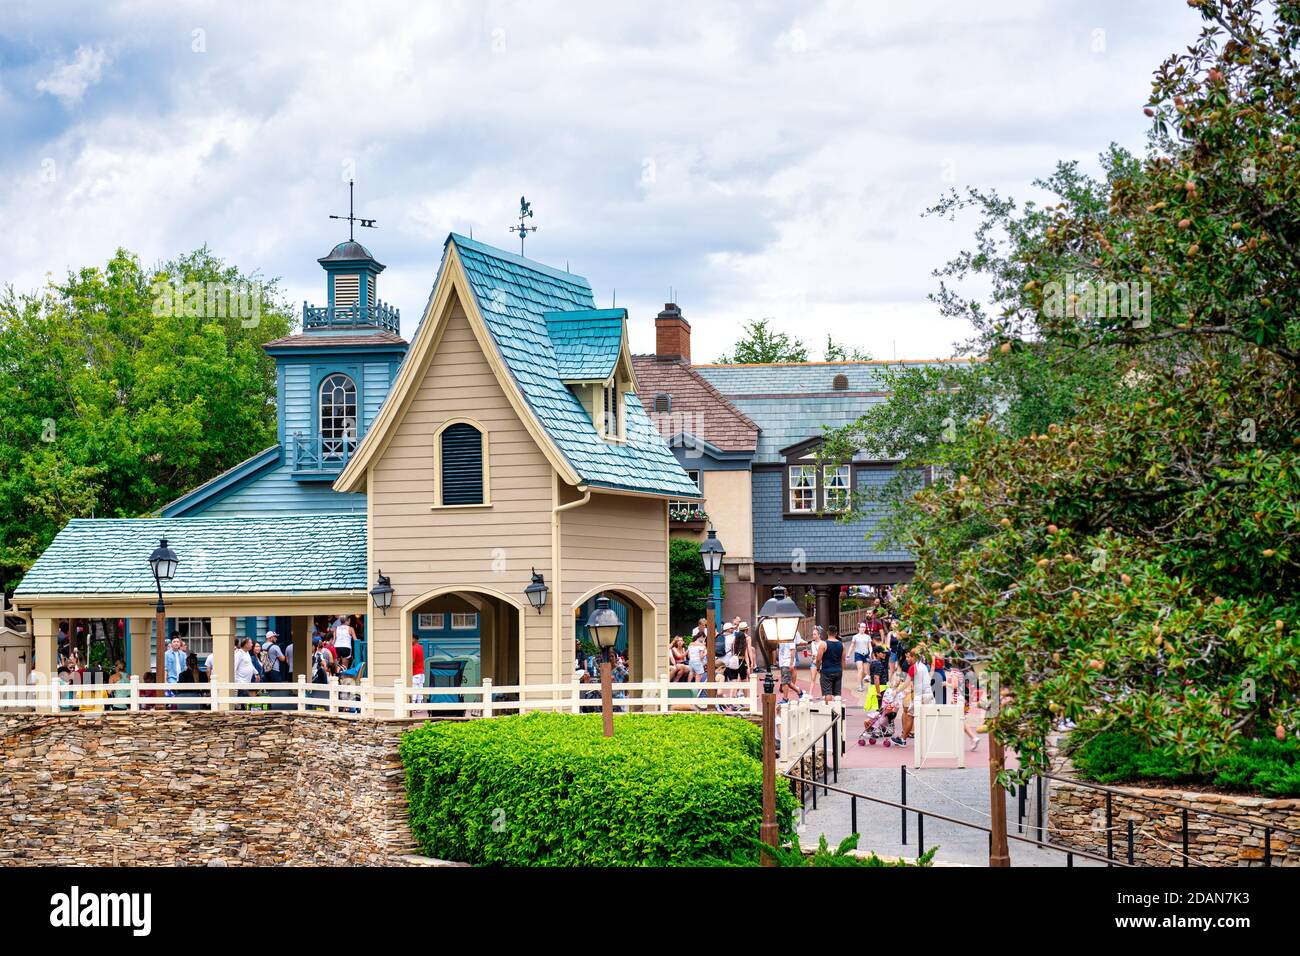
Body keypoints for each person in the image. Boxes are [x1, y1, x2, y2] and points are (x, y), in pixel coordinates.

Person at [815, 624, 844, 703]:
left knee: (827, 692)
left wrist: (818, 668)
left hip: (826, 671)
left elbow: (818, 659)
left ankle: (829, 710)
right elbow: (843, 660)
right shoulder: (842, 645)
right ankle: (837, 711)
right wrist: (841, 670)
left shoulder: (823, 644)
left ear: (828, 632)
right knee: (837, 693)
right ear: (836, 633)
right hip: (838, 670)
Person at [234, 638, 260, 709]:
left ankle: (243, 711)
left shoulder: (247, 653)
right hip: (241, 681)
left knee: (243, 700)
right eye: (250, 643)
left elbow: (250, 665)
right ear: (246, 644)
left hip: (247, 681)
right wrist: (236, 681)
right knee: (245, 699)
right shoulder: (239, 654)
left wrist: (256, 673)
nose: (252, 645)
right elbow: (234, 667)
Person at [850, 622, 872, 692]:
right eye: (862, 627)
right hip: (858, 654)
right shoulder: (855, 636)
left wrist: (870, 653)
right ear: (859, 628)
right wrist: (848, 654)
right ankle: (859, 685)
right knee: (860, 670)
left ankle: (861, 682)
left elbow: (870, 646)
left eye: (864, 627)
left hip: (865, 654)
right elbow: (852, 646)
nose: (863, 628)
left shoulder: (867, 636)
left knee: (865, 672)